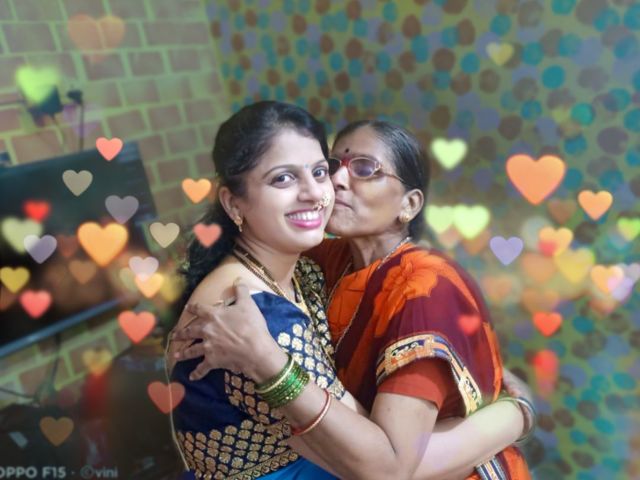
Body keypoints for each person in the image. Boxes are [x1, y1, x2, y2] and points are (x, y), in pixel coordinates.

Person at [169, 103, 533, 479]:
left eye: (319, 171)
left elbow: (375, 442)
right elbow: (384, 467)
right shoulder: (250, 312)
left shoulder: (314, 271)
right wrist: (516, 415)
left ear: (409, 204)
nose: (319, 190)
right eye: (283, 179)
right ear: (234, 203)